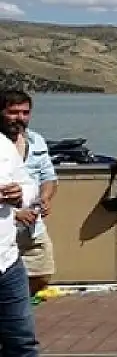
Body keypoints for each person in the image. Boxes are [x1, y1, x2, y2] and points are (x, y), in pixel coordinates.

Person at [0, 90, 58, 295]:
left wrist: (45, 199)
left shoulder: (36, 141)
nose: (20, 118)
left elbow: (48, 177)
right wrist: (16, 213)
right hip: (5, 228)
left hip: (33, 228)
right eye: (13, 112)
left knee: (42, 274)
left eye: (25, 113)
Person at [0, 130, 40, 357]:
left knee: (22, 343)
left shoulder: (3, 144)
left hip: (7, 262)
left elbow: (28, 183)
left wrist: (20, 194)